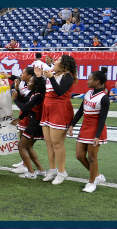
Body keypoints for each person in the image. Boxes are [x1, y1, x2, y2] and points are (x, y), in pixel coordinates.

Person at [69, 69, 112, 193]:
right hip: (85, 127)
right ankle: (97, 176)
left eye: (90, 79)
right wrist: (72, 125)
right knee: (79, 155)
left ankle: (92, 182)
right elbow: (81, 111)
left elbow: (103, 118)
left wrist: (98, 135)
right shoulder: (88, 93)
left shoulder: (104, 98)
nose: (87, 81)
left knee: (92, 157)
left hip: (96, 129)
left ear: (97, 81)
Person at [39, 55, 77, 184]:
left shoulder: (68, 76)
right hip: (47, 108)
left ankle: (62, 172)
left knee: (57, 143)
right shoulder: (53, 74)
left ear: (64, 65)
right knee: (49, 142)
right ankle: (52, 169)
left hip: (60, 109)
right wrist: (42, 77)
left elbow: (60, 92)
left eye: (58, 61)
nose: (54, 61)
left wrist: (50, 77)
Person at [11, 67, 46, 179]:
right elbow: (25, 103)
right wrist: (19, 118)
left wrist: (15, 99)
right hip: (35, 124)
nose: (28, 83)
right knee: (29, 147)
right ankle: (40, 170)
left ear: (35, 85)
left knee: (21, 146)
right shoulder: (34, 95)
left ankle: (31, 173)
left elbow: (25, 107)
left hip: (34, 125)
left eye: (31, 81)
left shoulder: (37, 96)